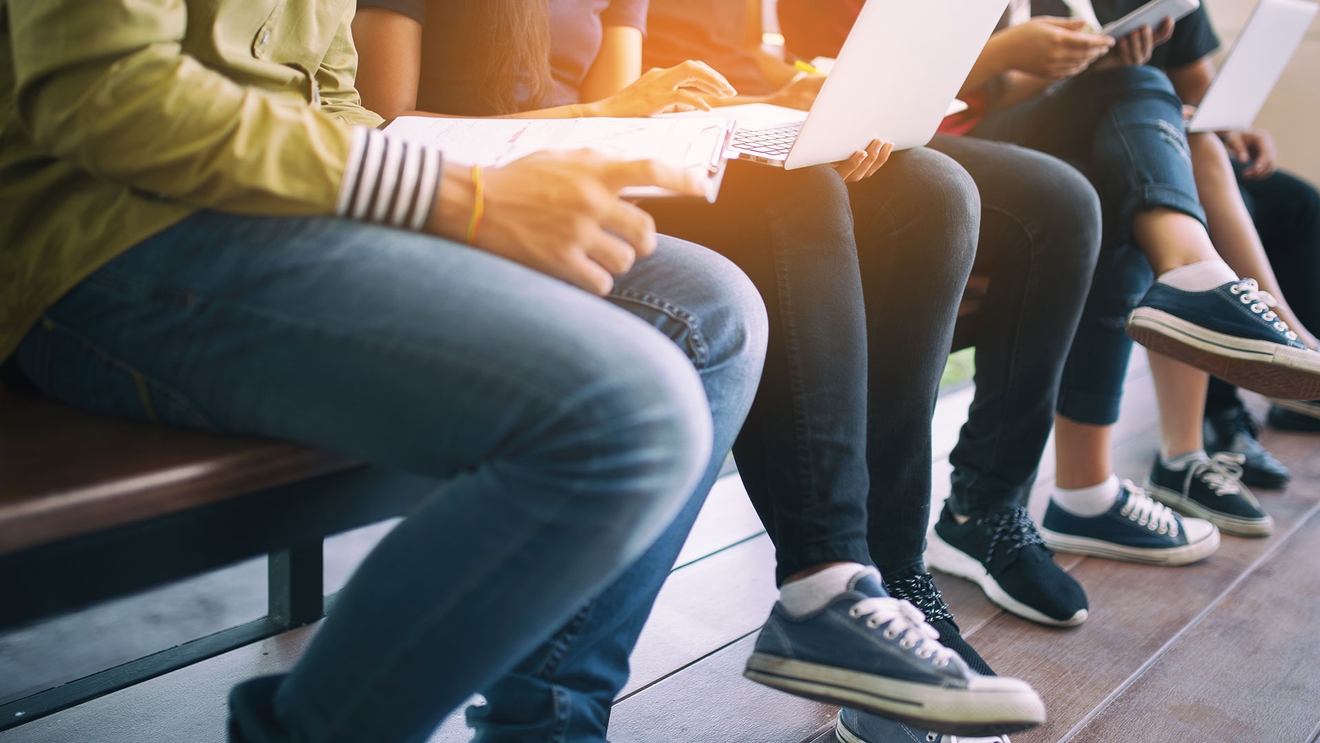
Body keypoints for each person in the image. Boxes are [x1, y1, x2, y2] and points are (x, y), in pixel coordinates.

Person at [0, 1, 776, 741]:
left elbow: (334, 103)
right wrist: (463, 197)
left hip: (293, 210)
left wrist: (517, 164)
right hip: (114, 241)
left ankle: (549, 726)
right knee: (627, 410)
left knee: (711, 315)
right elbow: (106, 92)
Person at [352, 0, 1048, 738]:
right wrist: (607, 114)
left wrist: (769, 113)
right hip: (481, 205)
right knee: (786, 209)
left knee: (927, 194)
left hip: (597, 181)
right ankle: (831, 581)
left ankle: (881, 576)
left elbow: (626, 124)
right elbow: (386, 131)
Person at [645, 1, 1109, 741]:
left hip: (747, 123)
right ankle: (842, 582)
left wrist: (802, 98)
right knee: (813, 191)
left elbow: (749, 58)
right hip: (680, 153)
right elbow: (637, 79)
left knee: (948, 193)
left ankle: (903, 572)